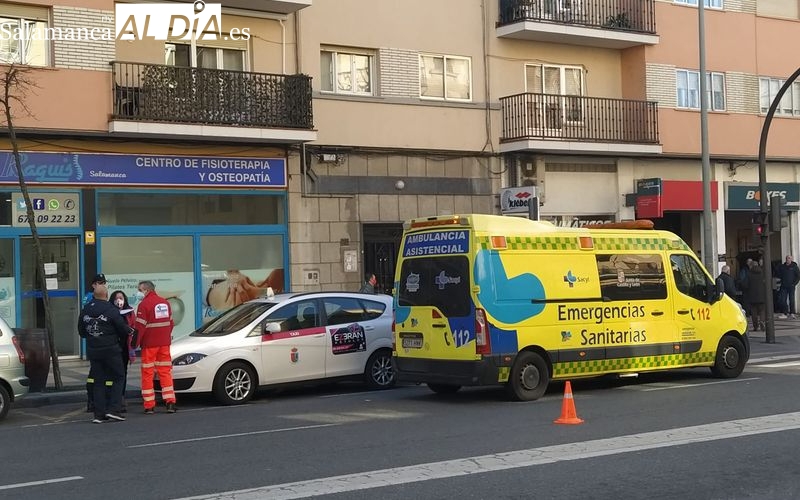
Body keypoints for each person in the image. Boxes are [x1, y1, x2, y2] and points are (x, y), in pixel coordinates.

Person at [77, 280, 129, 423]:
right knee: (119, 377)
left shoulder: (86, 309)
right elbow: (122, 329)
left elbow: (81, 331)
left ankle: (98, 414)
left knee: (98, 381)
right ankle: (114, 409)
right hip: (111, 349)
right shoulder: (111, 309)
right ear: (106, 295)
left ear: (94, 295)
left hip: (94, 350)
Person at [134, 280, 177, 414]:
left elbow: (139, 327)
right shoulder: (165, 303)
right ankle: (170, 402)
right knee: (165, 372)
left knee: (148, 373)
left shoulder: (144, 305)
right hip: (164, 344)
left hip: (149, 345)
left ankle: (149, 405)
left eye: (139, 290)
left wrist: (134, 344)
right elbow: (171, 323)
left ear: (146, 290)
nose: (138, 293)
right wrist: (164, 336)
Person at [110, 290, 137, 412]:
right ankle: (113, 398)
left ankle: (121, 397)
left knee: (123, 373)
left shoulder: (129, 311)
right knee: (112, 373)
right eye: (116, 298)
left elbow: (134, 327)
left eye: (121, 298)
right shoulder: (110, 311)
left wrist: (133, 347)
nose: (119, 300)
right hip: (113, 346)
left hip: (125, 347)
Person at [84, 273, 107, 414]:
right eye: (100, 283)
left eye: (104, 282)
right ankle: (91, 400)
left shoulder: (104, 296)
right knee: (94, 374)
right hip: (94, 339)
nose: (102, 285)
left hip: (104, 340)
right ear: (94, 285)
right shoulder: (89, 298)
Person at [776, 255, 800, 319]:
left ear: (791, 259)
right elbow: (779, 274)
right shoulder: (782, 267)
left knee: (791, 300)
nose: (787, 259)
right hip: (784, 286)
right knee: (783, 300)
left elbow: (798, 276)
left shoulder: (794, 267)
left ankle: (792, 313)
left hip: (791, 286)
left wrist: (794, 284)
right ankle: (785, 313)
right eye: (787, 258)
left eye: (789, 258)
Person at [745, 263, 767, 331]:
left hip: (752, 296)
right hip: (762, 296)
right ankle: (762, 321)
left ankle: (755, 326)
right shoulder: (763, 274)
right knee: (762, 310)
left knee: (753, 312)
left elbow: (745, 285)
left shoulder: (749, 275)